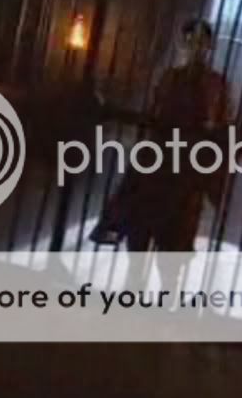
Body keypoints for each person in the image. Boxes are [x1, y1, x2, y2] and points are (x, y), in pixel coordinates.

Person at [90, 18, 232, 294]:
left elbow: (223, 125)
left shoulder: (217, 84)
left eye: (202, 43)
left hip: (189, 165)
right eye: (191, 42)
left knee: (176, 231)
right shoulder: (171, 78)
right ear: (183, 45)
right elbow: (156, 113)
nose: (196, 48)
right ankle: (135, 281)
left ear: (210, 47)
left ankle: (168, 289)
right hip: (160, 159)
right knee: (141, 221)